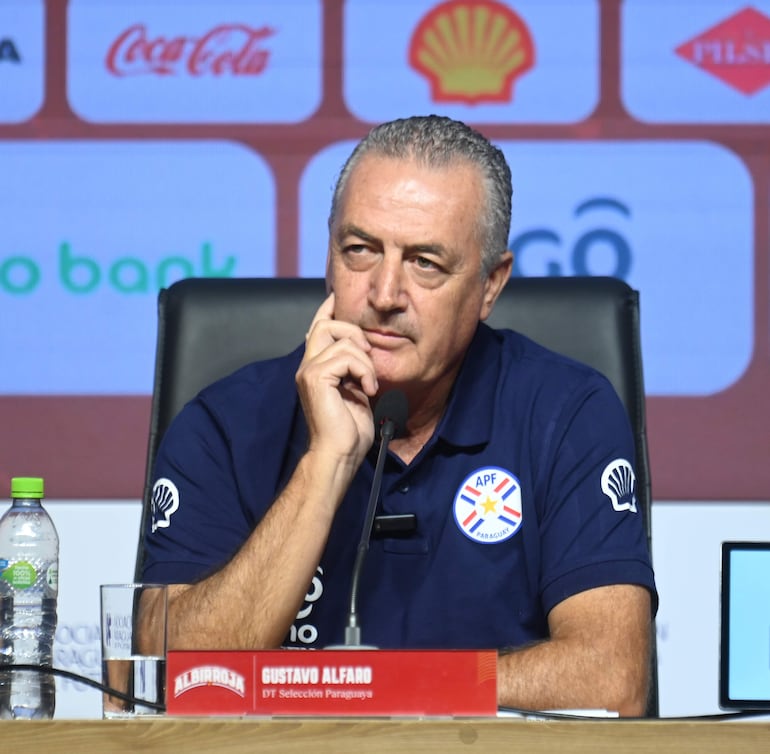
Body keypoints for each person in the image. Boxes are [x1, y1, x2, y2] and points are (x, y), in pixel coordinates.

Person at [141, 115, 657, 716]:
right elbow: (168, 679)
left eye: (425, 263)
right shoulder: (226, 423)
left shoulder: (567, 414)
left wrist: (369, 688)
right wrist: (326, 461)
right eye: (359, 250)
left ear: (491, 284)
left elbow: (609, 679)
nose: (384, 294)